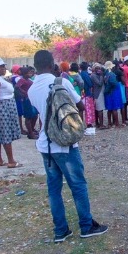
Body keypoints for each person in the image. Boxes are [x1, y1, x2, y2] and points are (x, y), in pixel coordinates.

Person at [28, 49, 107, 242]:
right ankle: (86, 227)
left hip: (45, 145)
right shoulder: (60, 82)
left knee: (54, 189)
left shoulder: (31, 89)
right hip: (64, 144)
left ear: (36, 67)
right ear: (51, 64)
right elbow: (80, 105)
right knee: (78, 185)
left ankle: (60, 231)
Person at [0, 58, 22, 168]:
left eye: (3, 66)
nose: (3, 68)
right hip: (3, 107)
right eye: (0, 66)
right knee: (5, 133)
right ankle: (11, 161)